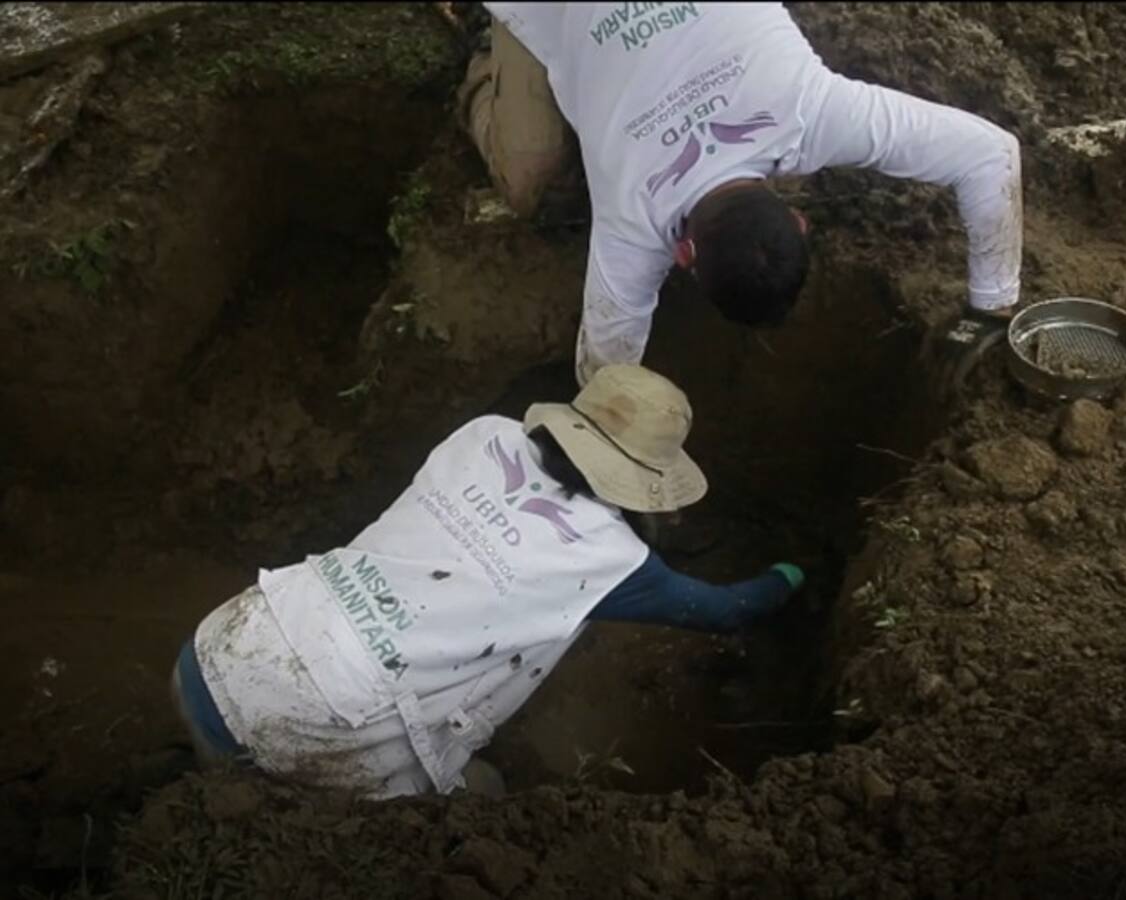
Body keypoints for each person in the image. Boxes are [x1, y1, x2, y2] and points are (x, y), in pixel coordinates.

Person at [170, 364, 807, 798]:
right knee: (484, 795)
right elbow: (726, 610)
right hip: (308, 726)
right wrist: (791, 573)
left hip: (222, 644)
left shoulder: (485, 434)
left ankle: (185, 782)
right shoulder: (610, 558)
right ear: (646, 480)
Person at [456, 2, 1024, 388]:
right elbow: (602, 364)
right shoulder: (629, 212)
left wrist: (991, 310)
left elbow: (991, 154)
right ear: (683, 256)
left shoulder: (812, 107)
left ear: (798, 218)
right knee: (535, 181)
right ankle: (487, 56)